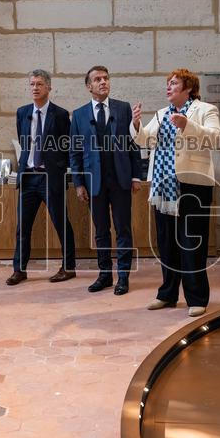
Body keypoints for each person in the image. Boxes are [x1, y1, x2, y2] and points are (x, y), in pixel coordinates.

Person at [131, 68, 220, 318]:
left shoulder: (205, 110)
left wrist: (187, 125)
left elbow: (215, 139)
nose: (168, 87)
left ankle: (197, 298)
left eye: (173, 83)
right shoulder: (161, 114)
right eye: (168, 83)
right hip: (163, 186)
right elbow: (145, 140)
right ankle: (167, 294)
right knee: (167, 242)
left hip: (193, 185)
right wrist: (136, 124)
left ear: (188, 88)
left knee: (192, 243)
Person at [69, 66, 141, 296]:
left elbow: (133, 143)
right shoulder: (79, 115)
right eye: (98, 79)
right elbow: (75, 152)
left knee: (123, 229)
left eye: (106, 78)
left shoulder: (123, 108)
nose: (103, 82)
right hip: (94, 181)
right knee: (101, 231)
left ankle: (123, 277)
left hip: (120, 179)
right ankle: (105, 275)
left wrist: (136, 175)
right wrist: (78, 183)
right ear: (89, 86)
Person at [6, 69, 77, 286]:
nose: (35, 88)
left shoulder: (61, 114)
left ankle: (68, 267)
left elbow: (68, 146)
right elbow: (23, 141)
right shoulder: (22, 112)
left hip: (50, 178)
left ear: (48, 87)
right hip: (28, 177)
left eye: (39, 84)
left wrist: (60, 168)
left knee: (61, 223)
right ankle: (19, 270)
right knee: (22, 227)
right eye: (32, 84)